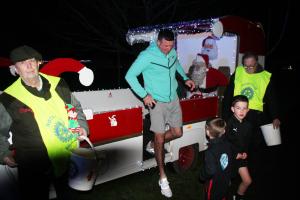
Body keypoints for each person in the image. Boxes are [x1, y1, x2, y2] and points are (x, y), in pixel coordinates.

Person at [0, 45, 89, 200]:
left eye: (32, 60)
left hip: (66, 157)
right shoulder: (8, 98)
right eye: (22, 62)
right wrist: (4, 154)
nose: (29, 65)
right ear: (15, 68)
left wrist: (81, 126)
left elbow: (75, 107)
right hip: (32, 164)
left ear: (38, 63)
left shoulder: (59, 84)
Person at [125, 29, 195, 198]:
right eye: (165, 46)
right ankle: (162, 178)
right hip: (157, 102)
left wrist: (185, 78)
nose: (168, 49)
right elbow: (130, 76)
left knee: (178, 132)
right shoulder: (147, 56)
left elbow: (176, 64)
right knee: (160, 137)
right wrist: (144, 95)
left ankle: (152, 144)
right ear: (158, 42)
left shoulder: (172, 52)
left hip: (173, 99)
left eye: (171, 46)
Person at [199, 117, 233, 200]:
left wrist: (202, 176)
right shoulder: (227, 144)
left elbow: (211, 171)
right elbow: (229, 160)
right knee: (223, 196)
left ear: (207, 132)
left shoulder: (210, 151)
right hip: (225, 178)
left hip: (214, 182)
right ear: (224, 131)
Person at [226, 95, 252, 200]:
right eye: (238, 108)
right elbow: (225, 143)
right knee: (227, 182)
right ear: (232, 109)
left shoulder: (248, 125)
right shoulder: (229, 124)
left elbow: (247, 142)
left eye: (244, 108)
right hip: (230, 157)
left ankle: (238, 196)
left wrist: (245, 152)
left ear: (248, 110)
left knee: (247, 181)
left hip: (241, 158)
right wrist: (234, 154)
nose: (241, 111)